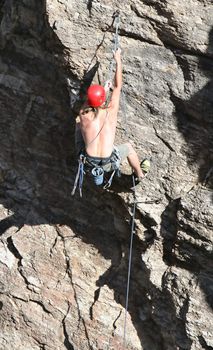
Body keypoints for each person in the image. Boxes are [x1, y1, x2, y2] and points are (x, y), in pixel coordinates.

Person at [75, 48, 150, 185]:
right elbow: (117, 87)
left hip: (89, 162)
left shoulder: (83, 114)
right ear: (103, 100)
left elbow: (89, 101)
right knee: (129, 148)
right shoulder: (111, 112)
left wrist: (101, 91)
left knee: (78, 125)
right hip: (108, 162)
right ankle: (140, 174)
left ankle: (98, 175)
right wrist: (118, 60)